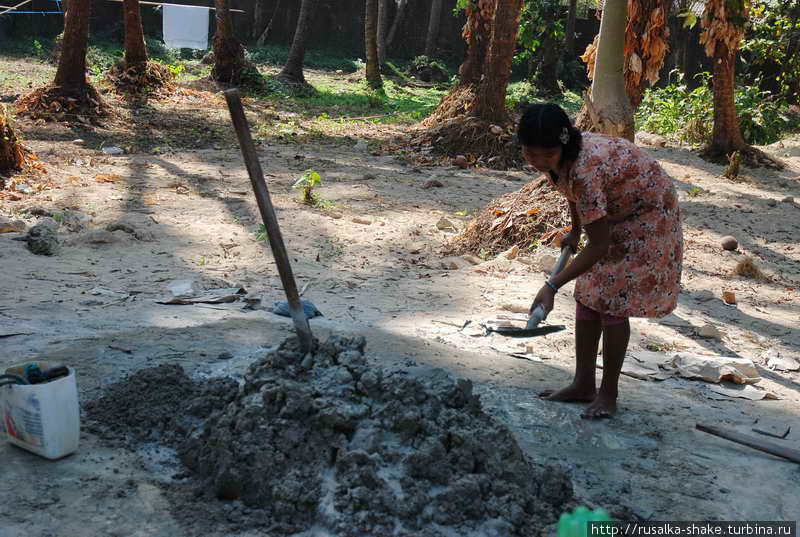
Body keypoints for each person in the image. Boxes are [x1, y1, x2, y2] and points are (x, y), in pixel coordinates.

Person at [518, 103, 683, 419]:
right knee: (588, 294)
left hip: (647, 214)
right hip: (613, 211)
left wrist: (552, 285)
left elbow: (600, 243)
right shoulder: (563, 163)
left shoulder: (586, 169)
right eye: (531, 154)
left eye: (546, 155)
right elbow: (573, 194)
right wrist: (576, 230)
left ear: (563, 145)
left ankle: (608, 393)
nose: (538, 163)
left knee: (612, 301)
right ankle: (583, 384)